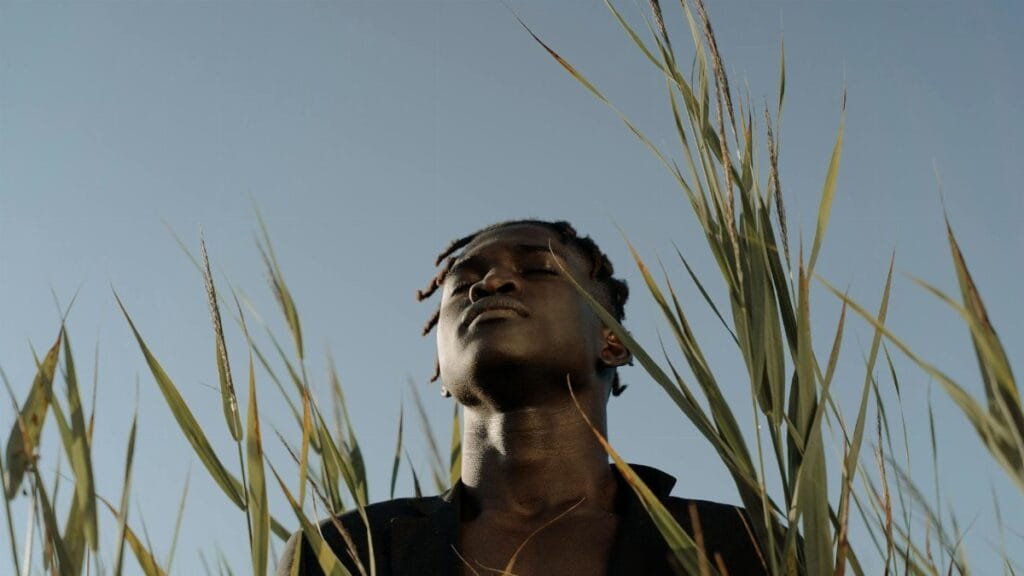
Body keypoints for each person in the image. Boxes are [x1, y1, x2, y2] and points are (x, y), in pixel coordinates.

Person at [277, 220, 766, 575]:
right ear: (441, 368)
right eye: (463, 285)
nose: (490, 284)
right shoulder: (340, 551)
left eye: (538, 269)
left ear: (612, 340)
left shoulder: (743, 544)